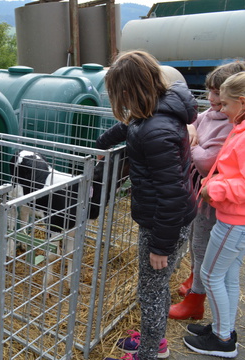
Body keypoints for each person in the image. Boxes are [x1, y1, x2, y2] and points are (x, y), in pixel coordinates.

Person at [95, 50, 198, 360]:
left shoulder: (156, 131)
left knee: (151, 292)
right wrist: (102, 144)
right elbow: (130, 127)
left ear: (128, 91)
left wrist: (160, 246)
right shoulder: (158, 110)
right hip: (165, 218)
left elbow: (172, 193)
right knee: (156, 287)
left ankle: (151, 352)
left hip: (163, 224)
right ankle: (154, 338)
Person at [169, 61, 245, 320]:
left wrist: (189, 141)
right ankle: (196, 280)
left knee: (204, 249)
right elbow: (192, 122)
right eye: (211, 92)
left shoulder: (233, 125)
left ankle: (196, 303)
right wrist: (191, 130)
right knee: (197, 242)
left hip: (218, 200)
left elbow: (205, 162)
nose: (212, 99)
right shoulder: (216, 115)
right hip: (204, 193)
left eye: (219, 95)